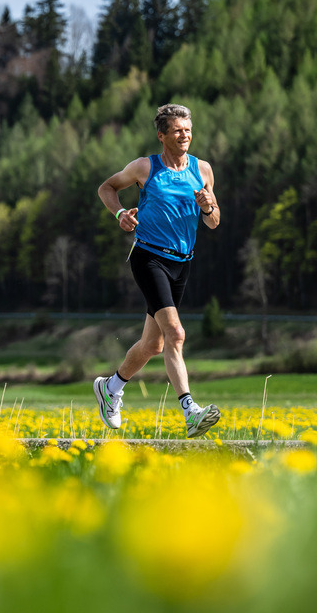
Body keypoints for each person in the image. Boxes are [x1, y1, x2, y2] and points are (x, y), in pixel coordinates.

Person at [94, 103, 222, 438]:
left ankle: (111, 387)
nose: (185, 135)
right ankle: (190, 411)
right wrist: (119, 213)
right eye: (178, 130)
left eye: (189, 130)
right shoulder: (144, 167)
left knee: (153, 345)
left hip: (182, 262)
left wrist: (208, 207)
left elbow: (213, 221)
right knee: (176, 334)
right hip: (149, 257)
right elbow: (106, 188)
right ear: (162, 134)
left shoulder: (203, 170)